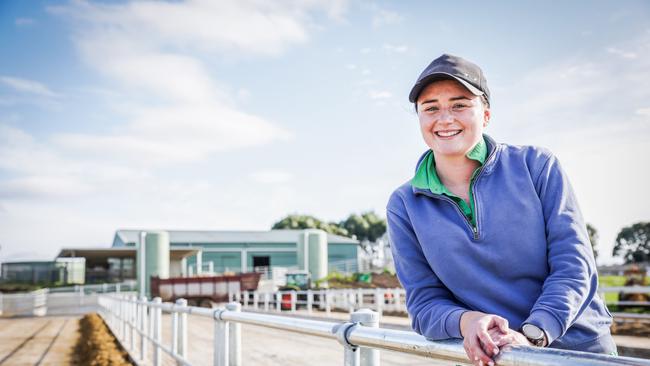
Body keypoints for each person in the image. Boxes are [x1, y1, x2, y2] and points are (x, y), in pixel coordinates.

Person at [386, 54, 616, 366]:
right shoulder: (404, 205)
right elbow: (425, 302)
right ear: (420, 119)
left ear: (486, 114)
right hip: (498, 358)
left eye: (460, 104)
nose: (445, 118)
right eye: (431, 108)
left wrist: (532, 335)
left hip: (577, 351)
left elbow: (573, 264)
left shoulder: (535, 166)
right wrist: (469, 321)